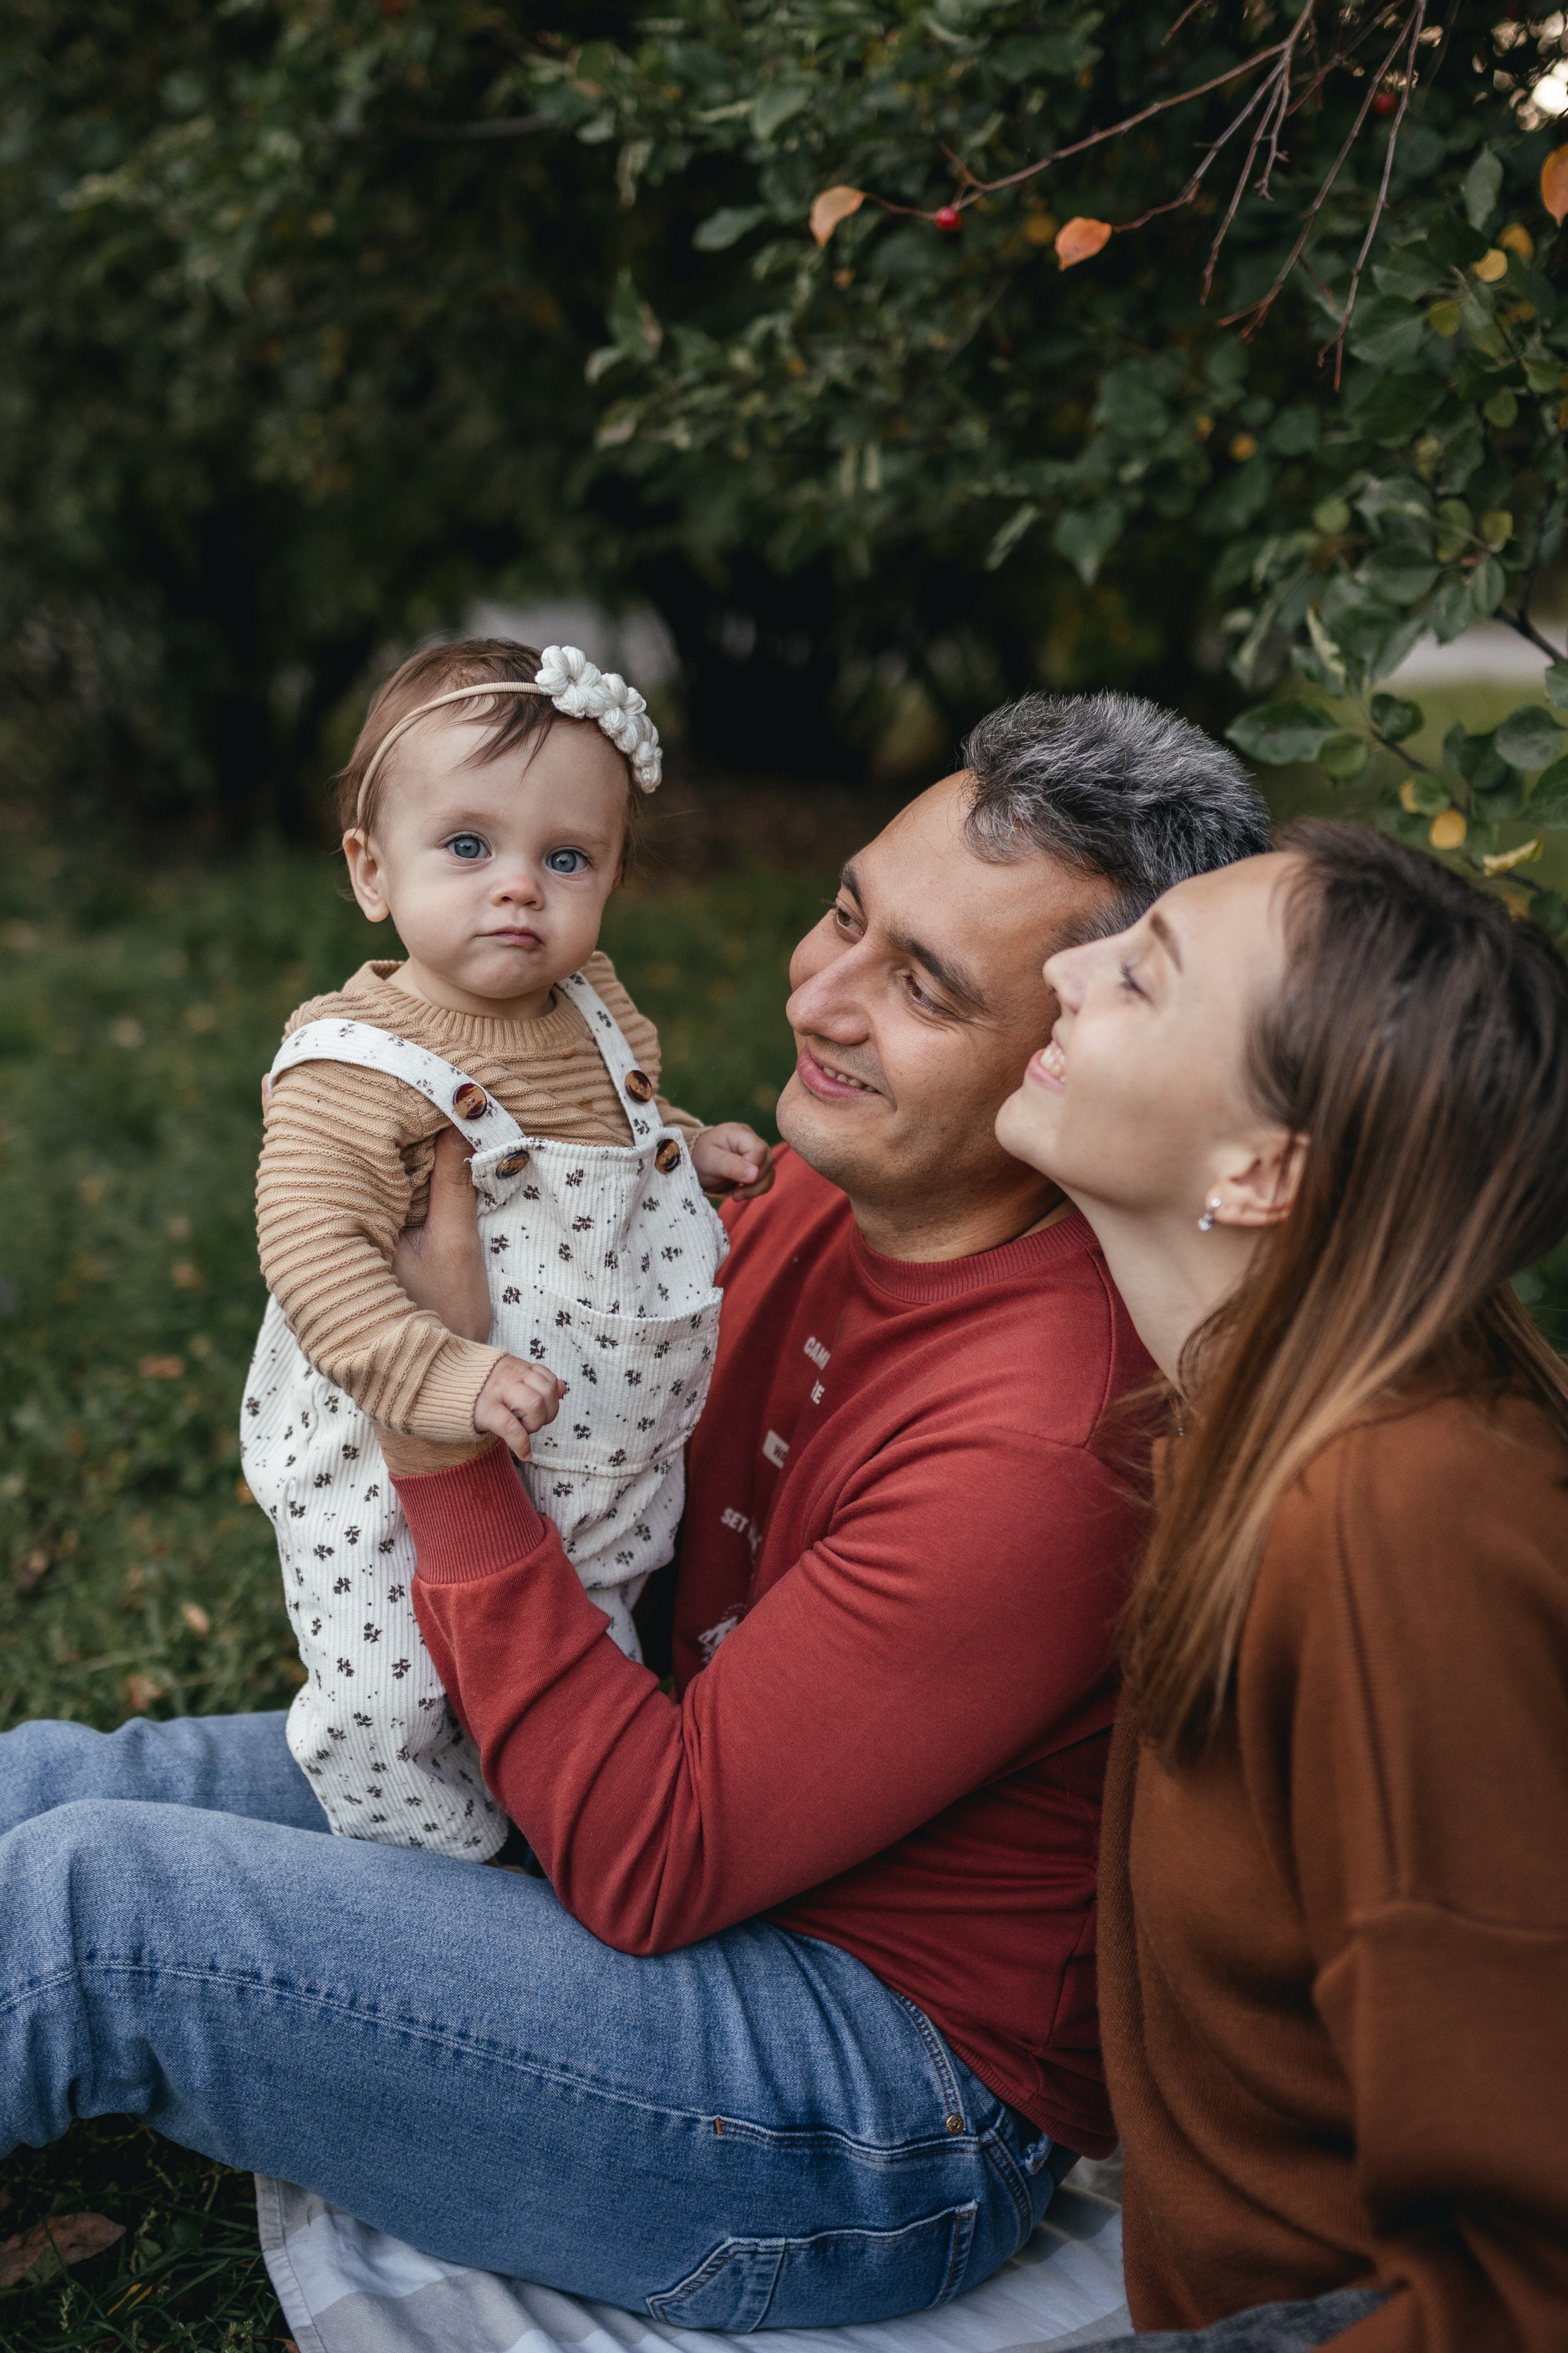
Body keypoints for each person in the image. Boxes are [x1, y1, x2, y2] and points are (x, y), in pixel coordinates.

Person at [0, 694, 1268, 2332]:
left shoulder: (1044, 1436)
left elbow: (648, 1857)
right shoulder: (831, 1179)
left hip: (860, 2102)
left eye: (922, 989)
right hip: (649, 1779)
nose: (819, 997)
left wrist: (437, 1429)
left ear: (1080, 1044)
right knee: (63, 1785)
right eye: (845, 914)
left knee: (96, 1913)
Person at [995, 818, 1568, 2351]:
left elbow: (1533, 2269)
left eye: (1140, 976)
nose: (1060, 967)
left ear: (1264, 1172)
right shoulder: (1254, 1431)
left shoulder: (1399, 1519)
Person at [243, 635, 774, 1856]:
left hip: (593, 1458)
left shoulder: (595, 1011)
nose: (519, 886)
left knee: (571, 1663)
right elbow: (313, 1254)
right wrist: (443, 1380)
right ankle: (410, 1886)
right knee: (394, 1700)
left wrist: (682, 1147)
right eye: (469, 846)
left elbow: (611, 1133)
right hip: (396, 1461)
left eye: (567, 857)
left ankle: (536, 1851)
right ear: (372, 871)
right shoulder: (353, 1065)